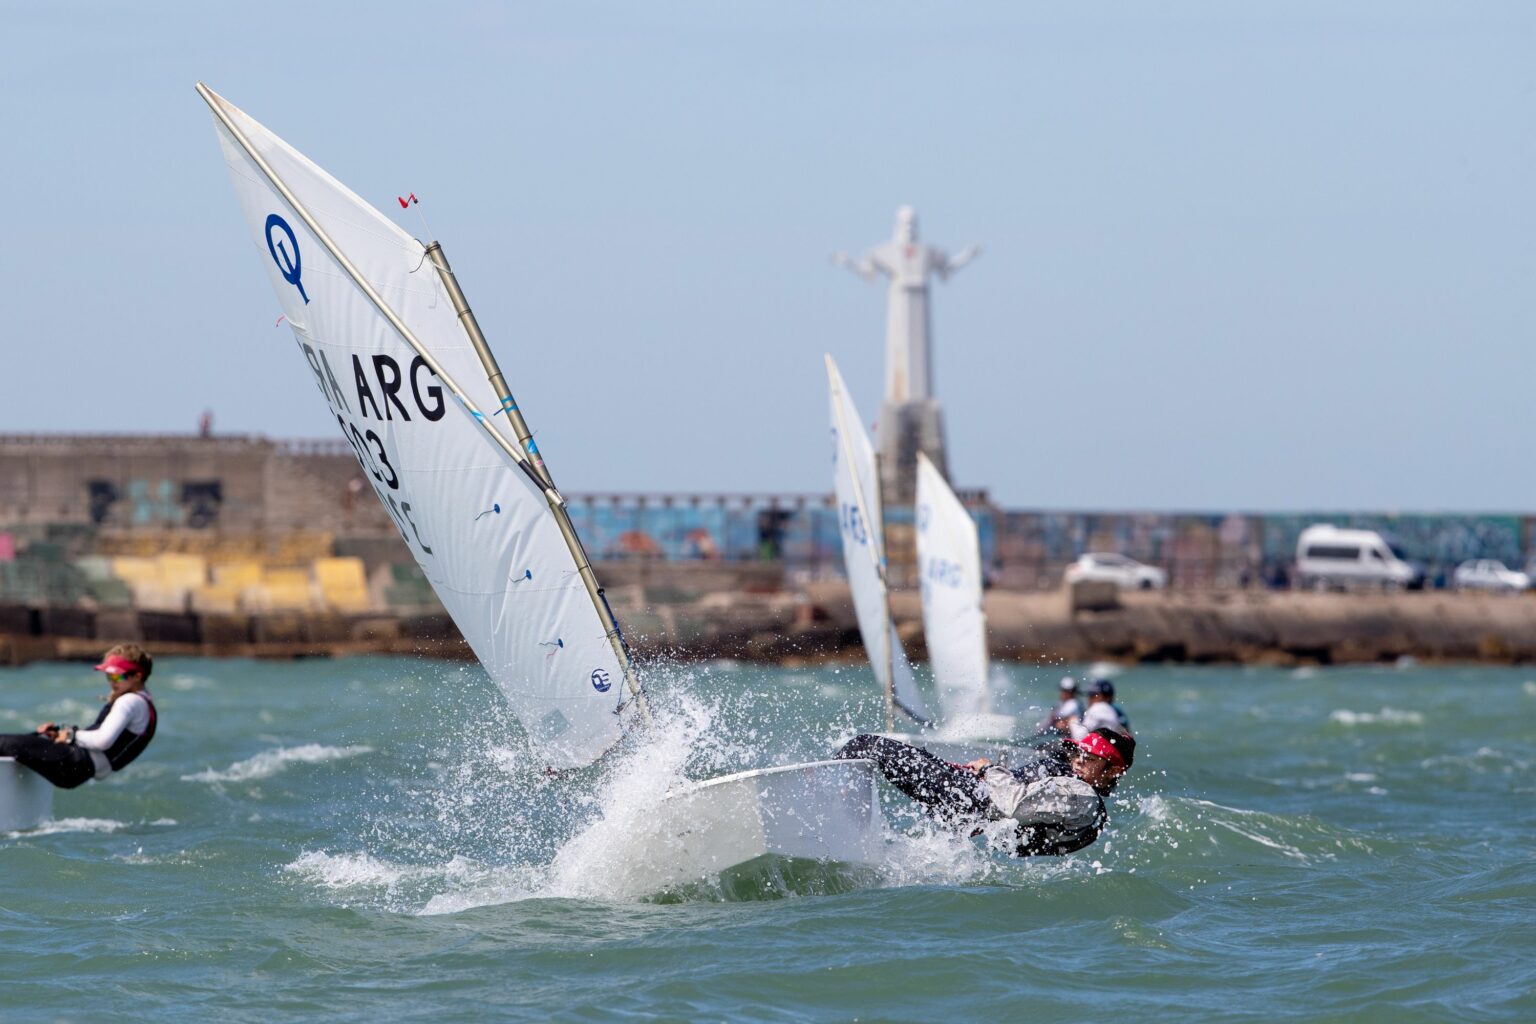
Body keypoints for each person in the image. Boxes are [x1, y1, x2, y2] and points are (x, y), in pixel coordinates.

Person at [834, 727, 1135, 856]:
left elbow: (1013, 805)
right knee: (903, 753)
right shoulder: (1081, 792)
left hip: (971, 802)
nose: (1078, 762)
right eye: (1078, 755)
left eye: (1089, 759)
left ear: (1113, 770)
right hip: (973, 803)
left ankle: (825, 801)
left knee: (868, 745)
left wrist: (987, 770)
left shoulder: (1080, 795)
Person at [0, 645, 158, 790]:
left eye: (117, 677)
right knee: (28, 739)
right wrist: (58, 734)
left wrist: (69, 735)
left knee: (3, 742)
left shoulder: (129, 701)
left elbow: (103, 741)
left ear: (137, 676)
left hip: (75, 763)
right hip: (80, 767)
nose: (111, 682)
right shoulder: (144, 702)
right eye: (109, 676)